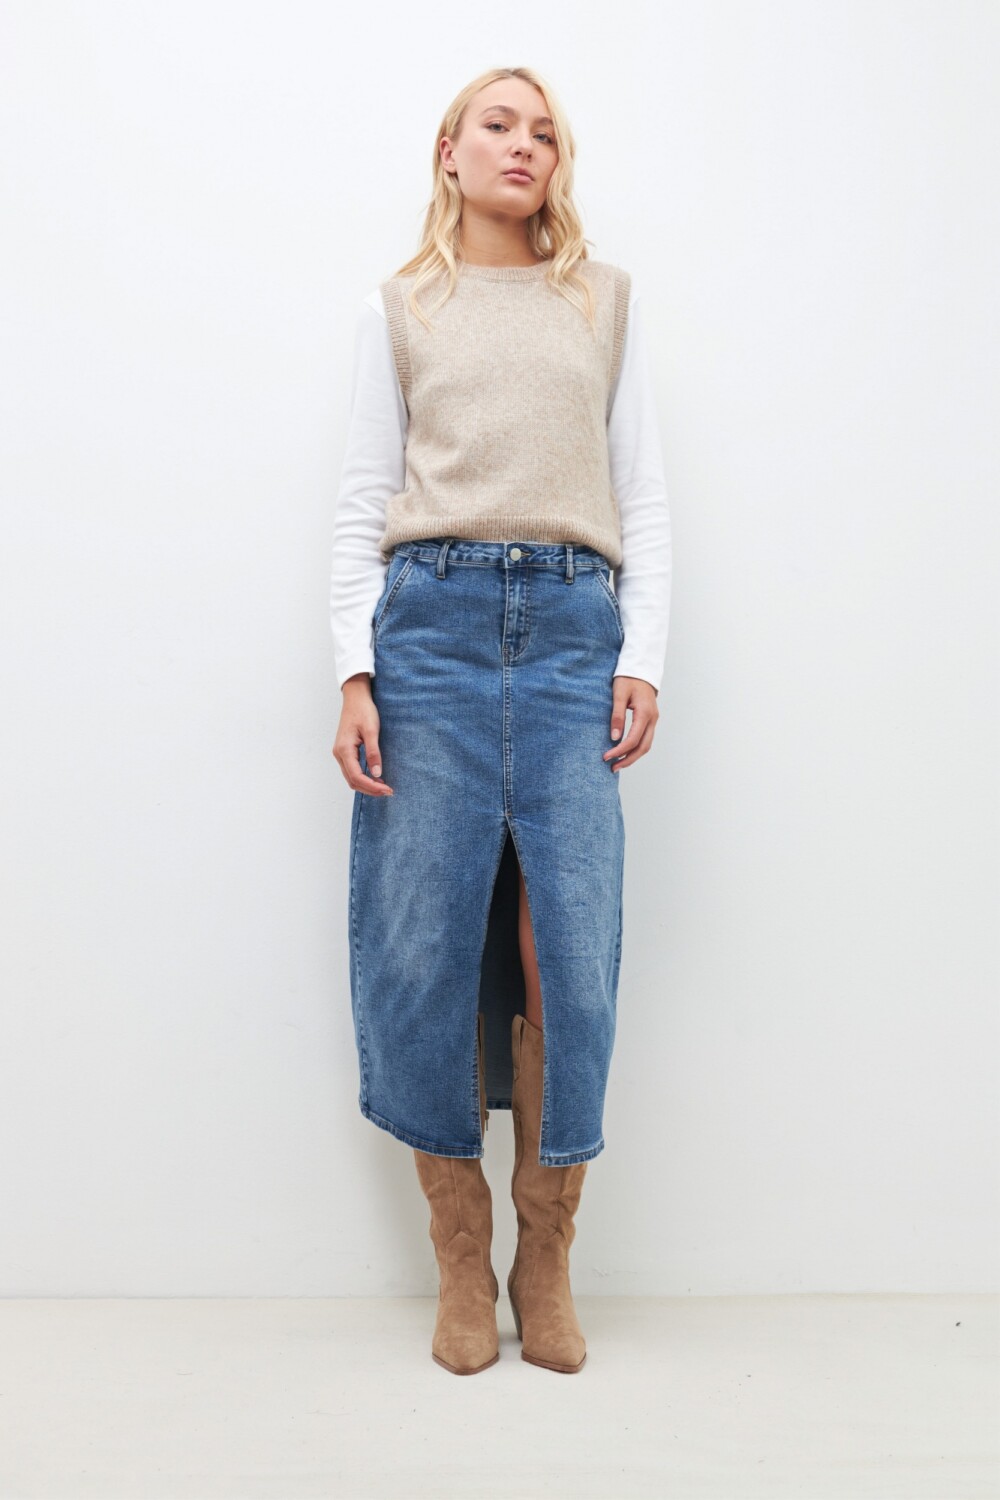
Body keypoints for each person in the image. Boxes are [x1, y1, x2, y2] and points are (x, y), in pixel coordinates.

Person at [329, 66, 671, 1376]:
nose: (524, 146)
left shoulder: (603, 301)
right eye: (500, 125)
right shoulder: (402, 306)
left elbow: (643, 495)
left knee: (566, 945)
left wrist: (645, 657)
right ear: (450, 150)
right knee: (423, 937)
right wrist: (351, 673)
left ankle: (549, 1247)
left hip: (576, 630)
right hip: (432, 632)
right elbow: (363, 501)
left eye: (545, 133)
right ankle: (461, 1253)